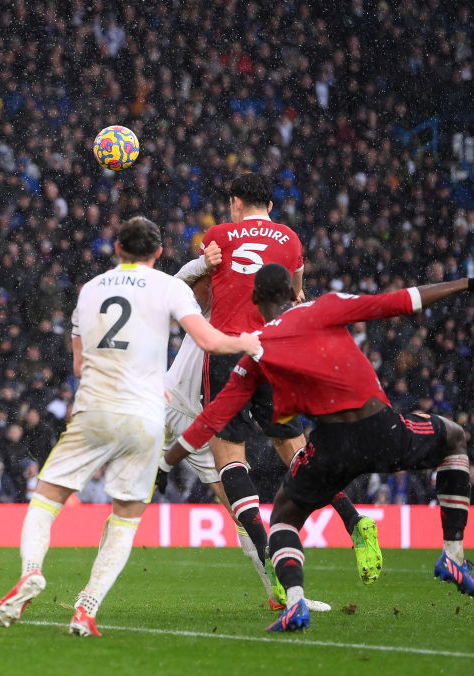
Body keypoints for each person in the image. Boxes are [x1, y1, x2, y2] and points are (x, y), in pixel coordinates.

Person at [165, 264, 474, 632]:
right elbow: (401, 301)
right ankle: (453, 552)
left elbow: (212, 419)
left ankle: (295, 603)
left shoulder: (256, 349)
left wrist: (167, 462)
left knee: (283, 517)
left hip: (330, 445)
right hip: (380, 428)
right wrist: (465, 283)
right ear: (294, 292)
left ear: (255, 299)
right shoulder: (325, 306)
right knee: (454, 437)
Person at [0, 217, 261, 637]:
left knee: (46, 500)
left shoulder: (90, 290)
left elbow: (80, 365)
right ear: (157, 253)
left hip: (94, 409)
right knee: (124, 520)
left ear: (116, 248)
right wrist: (246, 343)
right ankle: (86, 608)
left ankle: (31, 570)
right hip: (145, 415)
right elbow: (209, 341)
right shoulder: (169, 286)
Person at [196, 172, 379, 587]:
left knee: (228, 456)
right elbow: (295, 295)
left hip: (228, 349)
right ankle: (354, 521)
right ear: (272, 207)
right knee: (294, 447)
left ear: (235, 202)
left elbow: (203, 299)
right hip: (275, 349)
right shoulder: (290, 239)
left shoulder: (219, 235)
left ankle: (270, 561)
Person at [157, 247, 330, 612]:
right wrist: (203, 263)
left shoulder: (247, 328)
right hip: (175, 409)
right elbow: (173, 284)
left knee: (237, 508)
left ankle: (277, 592)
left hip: (185, 414)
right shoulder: (212, 313)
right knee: (132, 499)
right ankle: (281, 589)